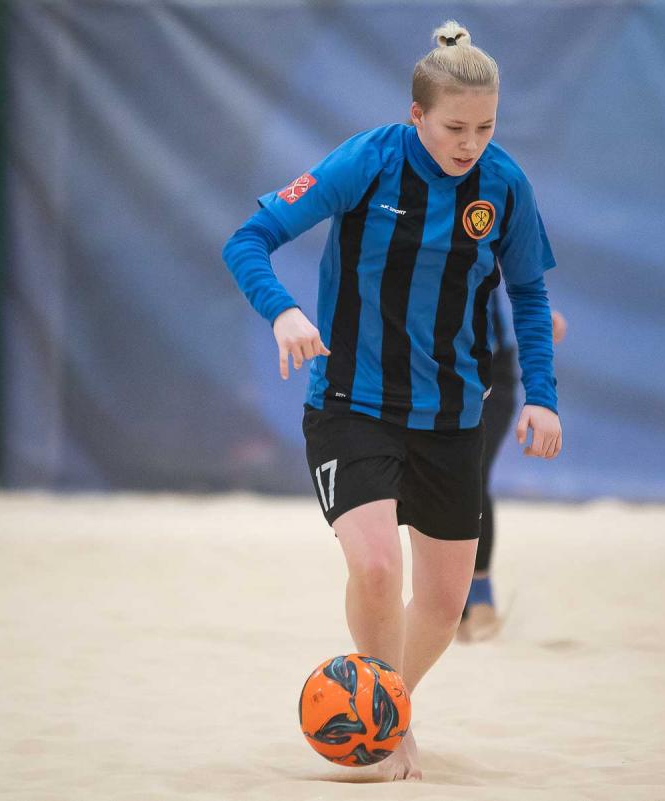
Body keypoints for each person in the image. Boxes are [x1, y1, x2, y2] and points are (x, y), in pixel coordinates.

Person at [222, 21, 561, 780]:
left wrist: (541, 396)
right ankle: (383, 730)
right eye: (454, 127)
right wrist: (283, 311)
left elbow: (531, 295)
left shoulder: (504, 184)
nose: (470, 144)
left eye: (486, 127)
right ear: (416, 115)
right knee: (377, 569)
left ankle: (381, 707)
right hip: (352, 403)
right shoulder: (367, 162)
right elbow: (248, 238)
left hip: (452, 416)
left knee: (443, 605)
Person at [458, 298, 566, 643]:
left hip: (490, 368)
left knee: (472, 471)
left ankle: (480, 595)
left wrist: (538, 314)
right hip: (426, 367)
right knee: (440, 478)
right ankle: (453, 601)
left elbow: (518, 275)